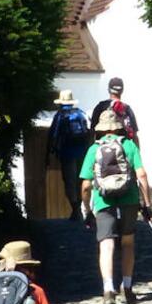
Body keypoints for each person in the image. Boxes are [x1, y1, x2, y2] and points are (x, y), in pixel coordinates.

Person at [79, 109, 152, 304]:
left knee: (106, 245)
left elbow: (86, 186)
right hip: (128, 200)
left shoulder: (93, 150)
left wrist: (86, 209)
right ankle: (128, 287)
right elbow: (143, 176)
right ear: (119, 127)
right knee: (128, 242)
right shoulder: (129, 145)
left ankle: (108, 290)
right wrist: (147, 204)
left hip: (104, 201)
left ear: (101, 130)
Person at [47, 90, 93, 220]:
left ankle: (75, 209)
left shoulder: (59, 116)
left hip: (67, 153)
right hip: (82, 153)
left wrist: (52, 151)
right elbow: (89, 132)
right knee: (80, 181)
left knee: (69, 181)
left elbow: (54, 135)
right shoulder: (81, 113)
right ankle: (81, 208)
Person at [89, 76, 139, 147]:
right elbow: (134, 135)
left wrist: (92, 150)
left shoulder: (100, 107)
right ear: (122, 91)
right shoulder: (127, 109)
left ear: (108, 90)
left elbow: (92, 133)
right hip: (124, 151)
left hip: (102, 151)